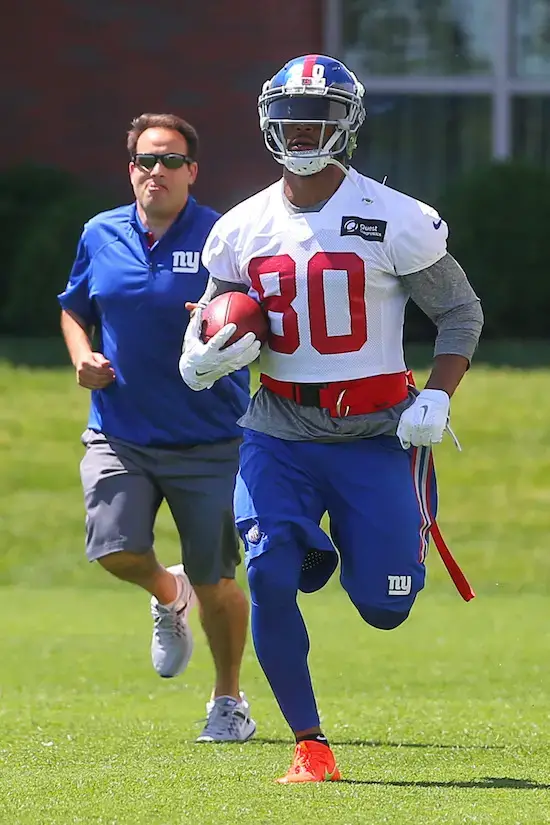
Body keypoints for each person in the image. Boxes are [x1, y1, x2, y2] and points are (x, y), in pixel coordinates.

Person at [179, 55, 483, 781]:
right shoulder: (241, 227)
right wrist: (195, 359)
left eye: (316, 116)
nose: (301, 128)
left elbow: (459, 311)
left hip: (376, 432)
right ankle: (311, 745)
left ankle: (336, 543)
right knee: (270, 573)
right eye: (288, 115)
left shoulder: (395, 216)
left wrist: (438, 394)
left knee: (385, 606)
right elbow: (215, 318)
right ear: (266, 121)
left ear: (346, 123)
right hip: (279, 429)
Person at [58, 112, 258, 743]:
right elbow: (74, 310)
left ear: (192, 172)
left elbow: (262, 317)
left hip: (212, 438)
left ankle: (229, 701)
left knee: (218, 580)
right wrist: (81, 358)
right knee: (114, 550)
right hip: (119, 431)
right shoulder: (101, 232)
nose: (157, 171)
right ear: (131, 170)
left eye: (171, 160)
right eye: (147, 160)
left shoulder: (224, 236)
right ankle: (167, 593)